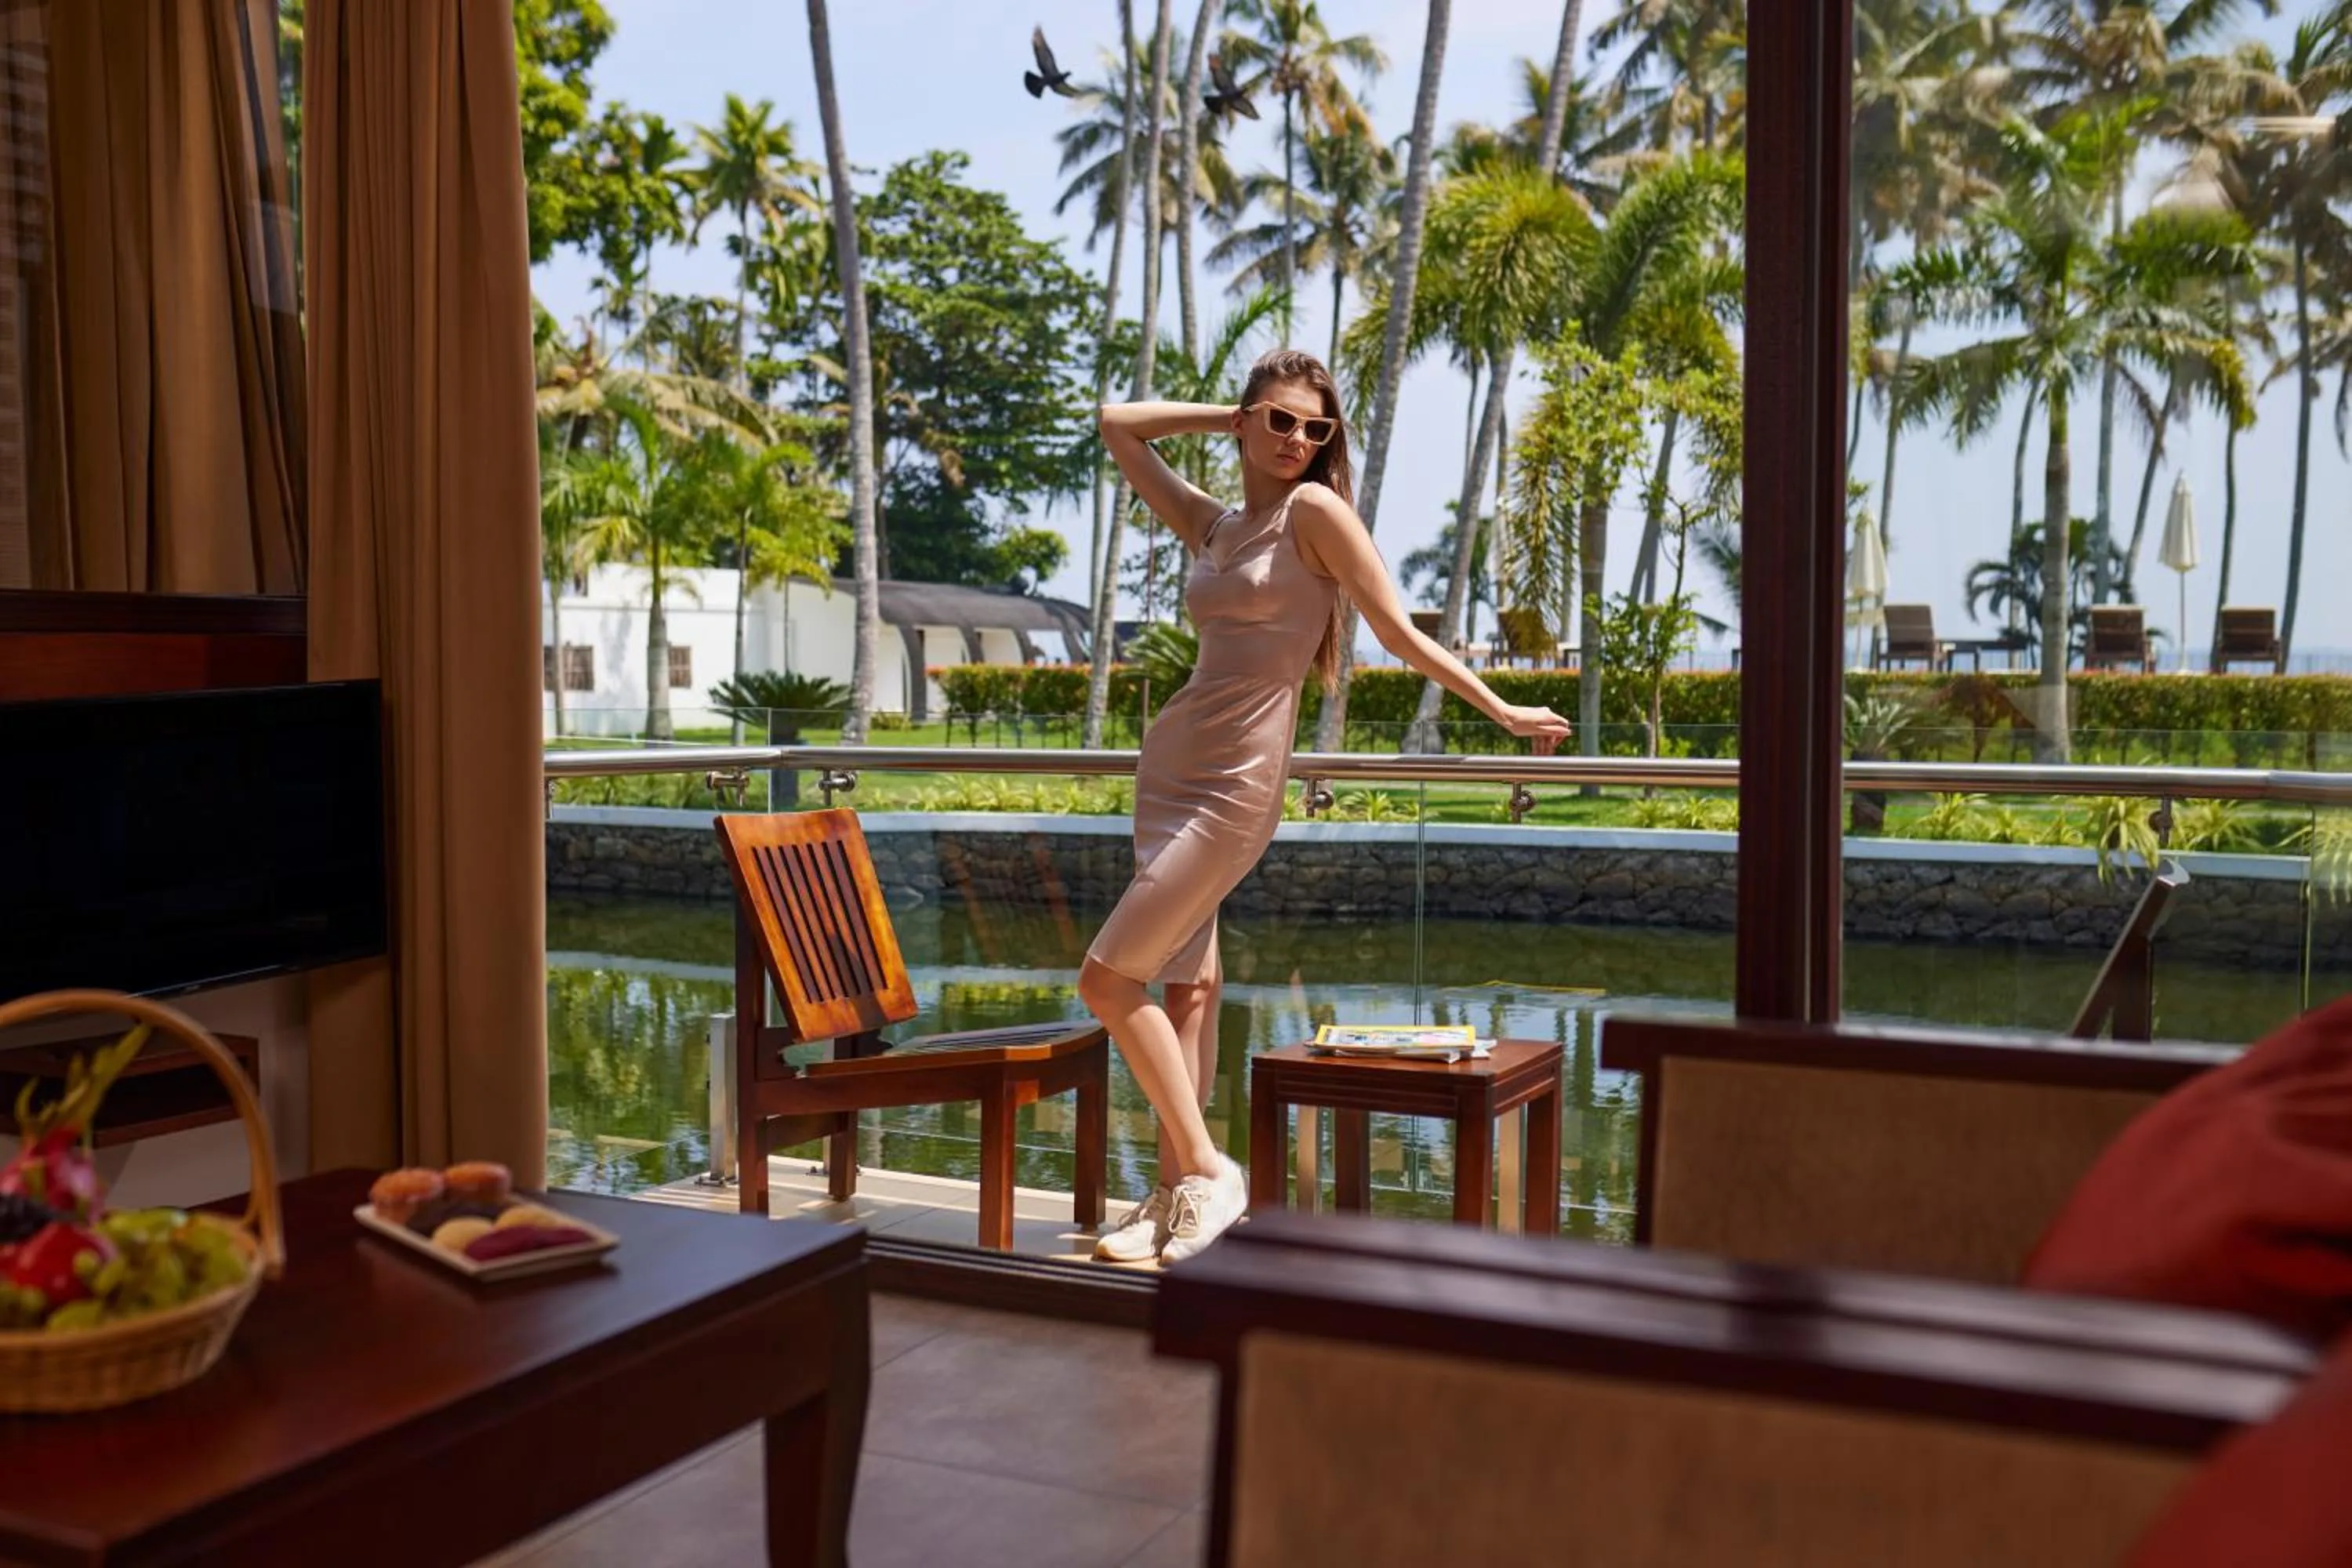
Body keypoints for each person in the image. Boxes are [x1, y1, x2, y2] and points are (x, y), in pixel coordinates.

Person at [1079, 347, 1573, 1265]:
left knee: (1108, 981)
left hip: (1235, 787)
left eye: (1316, 428)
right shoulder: (1219, 525)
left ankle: (1209, 1168)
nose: (1299, 440)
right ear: (1247, 420)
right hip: (1170, 773)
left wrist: (1500, 710)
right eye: (1279, 420)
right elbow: (1118, 424)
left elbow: (1396, 629)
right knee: (1184, 992)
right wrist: (1227, 413)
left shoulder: (1316, 512)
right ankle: (1171, 1194)